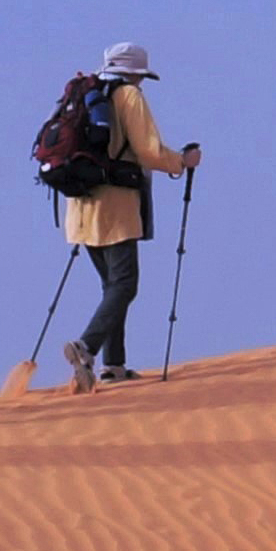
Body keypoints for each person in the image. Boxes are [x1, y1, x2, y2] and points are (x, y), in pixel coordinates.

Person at [55, 42, 198, 390]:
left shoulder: (82, 91)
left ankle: (113, 367)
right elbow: (148, 151)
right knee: (125, 284)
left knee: (112, 286)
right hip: (116, 206)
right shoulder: (128, 96)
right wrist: (181, 161)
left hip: (79, 206)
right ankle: (86, 347)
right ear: (134, 73)